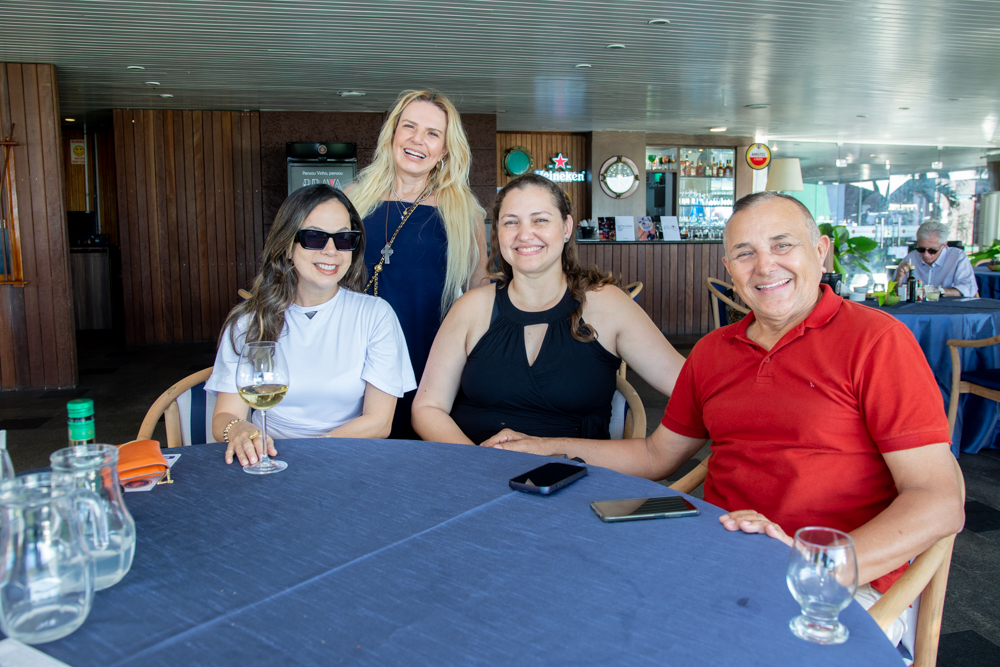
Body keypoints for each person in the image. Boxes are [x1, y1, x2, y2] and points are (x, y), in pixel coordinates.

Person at [485, 192, 965, 649]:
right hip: (720, 558)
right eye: (744, 253)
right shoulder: (713, 353)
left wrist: (813, 565)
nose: (765, 266)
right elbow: (656, 456)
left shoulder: (878, 341)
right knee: (575, 607)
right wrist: (546, 445)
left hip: (838, 581)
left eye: (783, 245)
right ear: (729, 270)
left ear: (821, 252)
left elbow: (940, 499)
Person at [411, 174, 685, 445]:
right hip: (473, 474)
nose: (525, 234)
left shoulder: (608, 305)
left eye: (540, 220)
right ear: (497, 232)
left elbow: (694, 391)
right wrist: (476, 462)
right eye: (511, 222)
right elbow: (428, 407)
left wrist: (659, 455)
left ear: (566, 227)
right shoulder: (471, 307)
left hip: (574, 479)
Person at [207, 184, 416, 466]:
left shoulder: (375, 315)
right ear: (287, 247)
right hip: (266, 459)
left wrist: (310, 454)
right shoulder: (250, 321)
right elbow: (225, 415)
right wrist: (239, 429)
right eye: (315, 237)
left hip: (347, 458)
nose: (331, 250)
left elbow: (379, 423)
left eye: (343, 239)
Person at [347, 90, 488, 439]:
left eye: (432, 133)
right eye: (409, 126)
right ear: (392, 133)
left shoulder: (462, 212)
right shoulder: (352, 200)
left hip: (428, 358)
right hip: (354, 352)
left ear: (445, 149)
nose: (417, 140)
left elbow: (478, 285)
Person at [894, 220, 977, 297]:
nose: (926, 255)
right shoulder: (911, 257)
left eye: (932, 250)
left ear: (944, 245)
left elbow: (968, 289)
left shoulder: (957, 257)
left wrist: (938, 291)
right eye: (921, 249)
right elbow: (894, 293)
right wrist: (899, 277)